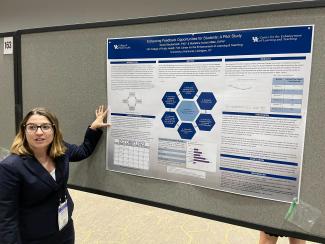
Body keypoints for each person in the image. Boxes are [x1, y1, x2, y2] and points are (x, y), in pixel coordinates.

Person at [0, 105, 110, 244]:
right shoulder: (11, 167)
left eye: (45, 126)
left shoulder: (61, 151)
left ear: (54, 130)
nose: (39, 132)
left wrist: (94, 128)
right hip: (35, 236)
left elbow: (83, 151)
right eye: (32, 127)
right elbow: (6, 218)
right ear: (24, 131)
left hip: (64, 227)